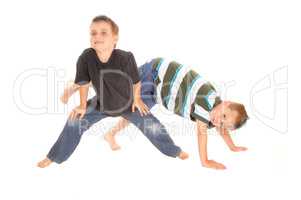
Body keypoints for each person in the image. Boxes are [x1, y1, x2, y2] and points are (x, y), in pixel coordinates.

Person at [37, 15, 188, 168]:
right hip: (102, 103)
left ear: (115, 38)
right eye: (93, 33)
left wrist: (137, 99)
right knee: (74, 121)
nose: (97, 36)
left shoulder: (125, 58)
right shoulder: (86, 57)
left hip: (128, 103)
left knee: (153, 126)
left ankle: (174, 151)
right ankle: (54, 156)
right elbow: (83, 82)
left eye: (103, 33)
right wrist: (82, 105)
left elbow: (136, 82)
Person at [61, 58, 249, 170]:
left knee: (136, 111)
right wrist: (205, 161)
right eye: (223, 117)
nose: (218, 122)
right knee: (119, 91)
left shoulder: (217, 115)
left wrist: (232, 146)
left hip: (158, 93)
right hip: (154, 75)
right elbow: (201, 132)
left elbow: (223, 129)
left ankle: (111, 134)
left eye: (223, 124)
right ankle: (80, 84)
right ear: (226, 103)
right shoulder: (206, 103)